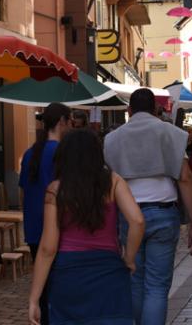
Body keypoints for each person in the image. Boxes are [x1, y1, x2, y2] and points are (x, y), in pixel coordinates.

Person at [104, 88, 192, 325]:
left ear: (129, 111)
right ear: (156, 110)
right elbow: (186, 177)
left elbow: (107, 183)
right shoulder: (171, 133)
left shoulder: (111, 139)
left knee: (135, 280)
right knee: (157, 286)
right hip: (163, 212)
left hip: (128, 214)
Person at [29, 130, 145, 325]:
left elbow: (48, 249)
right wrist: (129, 258)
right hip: (108, 272)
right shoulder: (113, 181)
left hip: (68, 275)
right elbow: (137, 221)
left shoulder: (56, 190)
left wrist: (34, 298)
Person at [19, 103, 71, 325]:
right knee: (59, 293)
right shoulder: (62, 153)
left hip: (33, 227)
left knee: (44, 291)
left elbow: (23, 191)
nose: (70, 126)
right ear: (62, 121)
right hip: (57, 229)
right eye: (69, 122)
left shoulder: (31, 152)